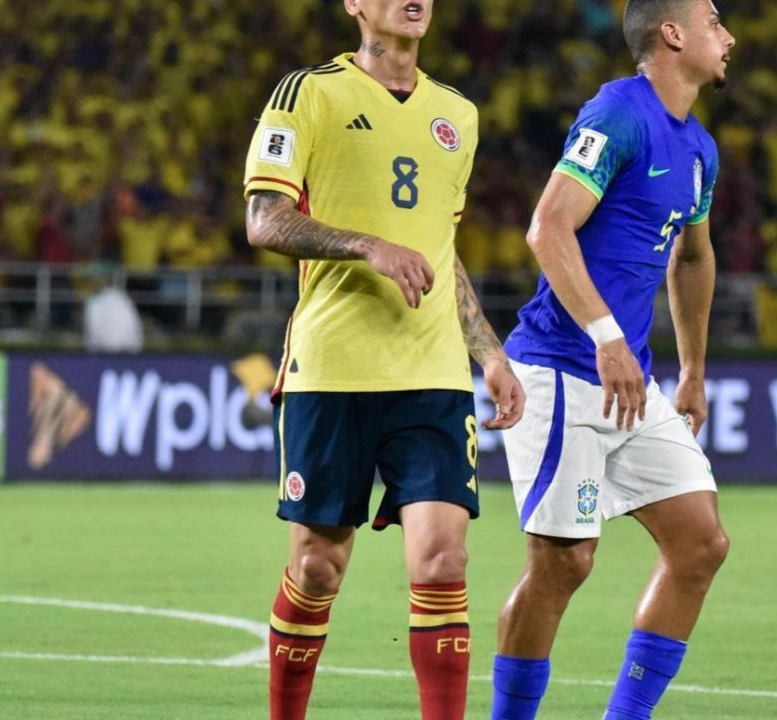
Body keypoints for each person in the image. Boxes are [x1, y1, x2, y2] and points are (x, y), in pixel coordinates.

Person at [242, 2, 525, 719]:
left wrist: (488, 351)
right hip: (332, 370)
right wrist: (366, 244)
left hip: (432, 373)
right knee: (317, 567)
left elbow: (438, 249)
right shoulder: (307, 93)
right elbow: (264, 219)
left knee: (444, 560)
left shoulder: (458, 114)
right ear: (355, 4)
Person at [490, 1, 735, 719]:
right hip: (561, 368)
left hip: (629, 378)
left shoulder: (700, 149)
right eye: (714, 21)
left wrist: (693, 371)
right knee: (564, 563)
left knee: (701, 544)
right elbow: (548, 226)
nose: (728, 36)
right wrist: (607, 336)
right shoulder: (619, 113)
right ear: (672, 34)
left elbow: (693, 257)